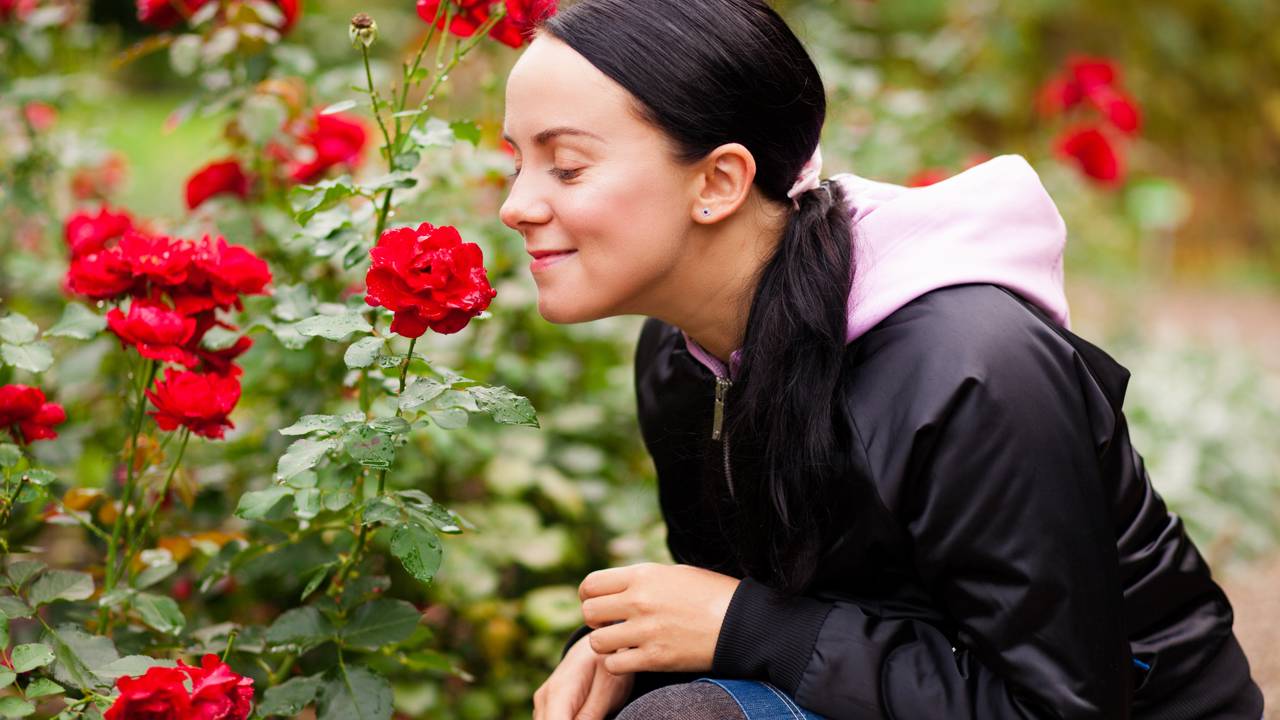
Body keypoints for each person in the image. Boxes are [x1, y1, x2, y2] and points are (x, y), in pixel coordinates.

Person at [498, 1, 1267, 719]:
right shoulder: (681, 357)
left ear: (720, 181)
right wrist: (623, 647)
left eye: (566, 166)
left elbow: (1059, 702)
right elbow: (754, 608)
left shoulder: (967, 368)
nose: (515, 206)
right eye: (515, 164)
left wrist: (746, 629)